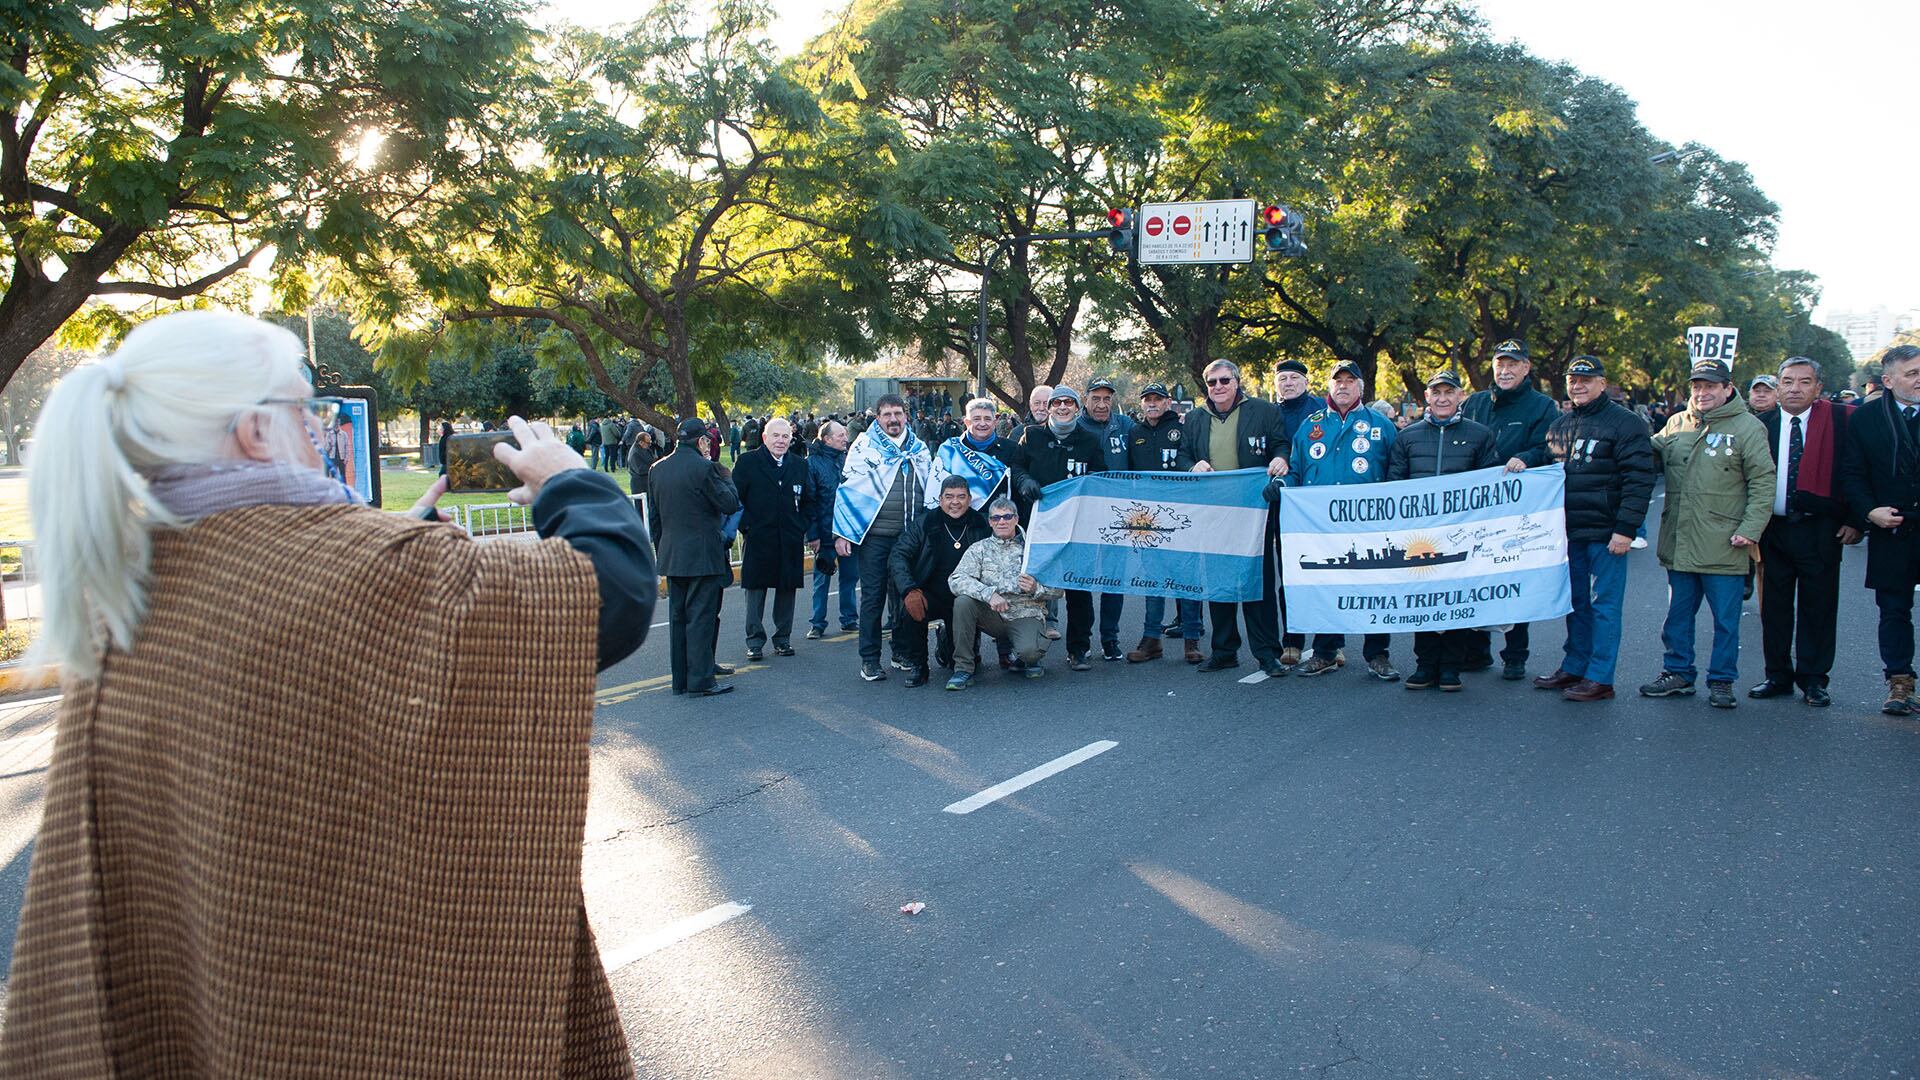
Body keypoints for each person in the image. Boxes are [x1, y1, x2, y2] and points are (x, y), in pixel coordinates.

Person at [6, 310, 653, 1076]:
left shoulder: (125, 594)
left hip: (221, 1006)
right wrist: (567, 481)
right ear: (253, 432)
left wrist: (394, 536)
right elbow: (608, 594)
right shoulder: (354, 566)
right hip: (365, 1014)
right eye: (302, 412)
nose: (319, 433)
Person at [1641, 359, 1775, 708]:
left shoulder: (1748, 427)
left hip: (1725, 541)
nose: (1703, 392)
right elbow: (1646, 452)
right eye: (1698, 386)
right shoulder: (1676, 423)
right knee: (1678, 617)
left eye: (1711, 386)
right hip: (1680, 539)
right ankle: (1678, 673)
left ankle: (1722, 680)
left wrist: (1750, 529)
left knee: (1726, 622)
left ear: (1728, 388)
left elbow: (1763, 482)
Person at [1524, 356, 1657, 702]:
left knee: (1605, 606)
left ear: (1602, 382)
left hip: (1607, 533)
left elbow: (1640, 478)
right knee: (1576, 603)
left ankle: (1600, 676)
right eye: (1573, 379)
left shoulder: (1625, 423)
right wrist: (1521, 461)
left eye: (1586, 379)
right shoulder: (1560, 426)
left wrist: (1627, 529)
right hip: (1568, 534)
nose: (1578, 385)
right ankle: (1575, 665)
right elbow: (1545, 466)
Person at [1748, 358, 1858, 708]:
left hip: (1821, 528)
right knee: (1774, 608)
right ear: (1777, 387)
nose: (1795, 388)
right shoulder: (1759, 425)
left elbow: (1856, 471)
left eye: (1804, 382)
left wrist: (1856, 519)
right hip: (1773, 529)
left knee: (1819, 607)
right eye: (1788, 381)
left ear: (1818, 388)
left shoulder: (1841, 424)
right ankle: (1778, 675)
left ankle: (1813, 679)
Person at [1286, 360, 1400, 680]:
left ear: (1361, 388)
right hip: (1321, 526)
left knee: (1374, 588)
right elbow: (1296, 469)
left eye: (1351, 380)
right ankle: (1324, 652)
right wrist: (1281, 486)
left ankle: (1378, 654)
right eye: (1339, 380)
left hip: (1370, 526)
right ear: (1329, 386)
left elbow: (1396, 472)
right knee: (1326, 586)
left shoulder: (1380, 425)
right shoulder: (1310, 425)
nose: (1344, 385)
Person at [1387, 371, 1499, 691]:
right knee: (1423, 601)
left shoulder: (1480, 435)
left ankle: (1451, 667)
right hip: (1419, 536)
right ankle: (1425, 665)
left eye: (1449, 392)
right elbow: (1395, 483)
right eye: (1437, 393)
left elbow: (1490, 484)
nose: (1443, 398)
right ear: (1427, 396)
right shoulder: (1408, 436)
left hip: (1461, 535)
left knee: (1455, 599)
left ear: (1460, 395)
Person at [1185, 359, 1292, 676]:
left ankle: (1267, 653)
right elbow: (1182, 455)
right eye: (1212, 382)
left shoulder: (1263, 411)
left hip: (1253, 513)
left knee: (1257, 584)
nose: (1218, 387)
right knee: (1219, 587)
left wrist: (1280, 458)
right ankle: (1224, 650)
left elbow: (1281, 444)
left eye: (1224, 381)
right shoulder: (1194, 418)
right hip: (1214, 514)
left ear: (1237, 381)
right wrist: (1192, 465)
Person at [1461, 338, 1558, 679]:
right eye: (1500, 363)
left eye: (1513, 364)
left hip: (1518, 510)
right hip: (1475, 510)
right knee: (1474, 577)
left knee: (1513, 578)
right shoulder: (1473, 403)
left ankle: (1515, 654)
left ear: (1526, 368)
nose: (1505, 370)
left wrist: (1527, 458)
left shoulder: (1543, 406)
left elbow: (1550, 447)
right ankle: (1476, 652)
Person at [1839, 344, 1920, 715]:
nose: (1919, 379)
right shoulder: (1866, 418)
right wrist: (1869, 511)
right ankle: (1899, 682)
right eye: (1912, 373)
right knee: (1893, 609)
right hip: (1892, 528)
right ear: (1888, 381)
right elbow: (1852, 473)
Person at [833, 394, 931, 682]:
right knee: (873, 598)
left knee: (904, 597)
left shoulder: (920, 448)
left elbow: (931, 487)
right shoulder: (863, 446)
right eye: (887, 414)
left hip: (908, 538)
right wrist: (842, 532)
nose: (893, 419)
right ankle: (870, 659)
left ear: (906, 416)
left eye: (898, 414)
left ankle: (900, 651)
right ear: (878, 417)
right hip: (874, 536)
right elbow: (848, 490)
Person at [651, 417, 742, 698]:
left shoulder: (658, 468)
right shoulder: (705, 468)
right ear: (702, 441)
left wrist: (662, 549)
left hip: (672, 553)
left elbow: (655, 518)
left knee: (679, 618)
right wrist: (724, 477)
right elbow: (729, 502)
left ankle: (682, 679)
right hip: (702, 553)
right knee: (701, 618)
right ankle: (701, 679)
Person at [1018, 385, 1108, 670]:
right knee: (1032, 587)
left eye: (1069, 403)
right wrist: (1024, 482)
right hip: (1040, 525)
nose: (1062, 407)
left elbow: (1100, 477)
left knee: (1079, 591)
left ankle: (1078, 649)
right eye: (1057, 403)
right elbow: (1016, 468)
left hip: (1076, 527)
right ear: (1049, 408)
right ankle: (1027, 649)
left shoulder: (1090, 441)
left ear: (1077, 408)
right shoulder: (1032, 436)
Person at [1124, 381, 1205, 663]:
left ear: (1168, 402)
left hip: (1182, 514)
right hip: (1148, 517)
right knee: (1153, 580)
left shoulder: (1183, 428)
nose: (1152, 404)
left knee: (1187, 578)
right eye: (1147, 399)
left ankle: (1192, 639)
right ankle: (1151, 640)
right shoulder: (1134, 433)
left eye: (1157, 399)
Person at [889, 475, 993, 686]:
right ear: (940, 499)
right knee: (911, 608)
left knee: (956, 663)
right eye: (949, 497)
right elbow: (898, 555)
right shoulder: (925, 523)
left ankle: (950, 643)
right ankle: (919, 666)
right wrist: (909, 589)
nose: (955, 502)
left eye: (961, 496)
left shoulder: (981, 524)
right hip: (931, 593)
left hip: (966, 598)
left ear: (970, 498)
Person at [946, 495, 1058, 688]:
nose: (1002, 522)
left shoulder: (1033, 549)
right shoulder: (979, 549)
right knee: (963, 602)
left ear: (1016, 518)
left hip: (1025, 614)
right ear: (990, 522)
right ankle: (963, 668)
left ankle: (1027, 658)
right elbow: (956, 579)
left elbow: (1058, 589)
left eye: (1007, 516)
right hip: (992, 615)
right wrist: (988, 594)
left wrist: (1036, 588)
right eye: (996, 518)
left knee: (1030, 652)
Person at [733, 417, 813, 662]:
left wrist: (801, 526)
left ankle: (783, 638)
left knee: (786, 588)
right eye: (776, 436)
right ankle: (755, 641)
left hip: (789, 536)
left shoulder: (799, 465)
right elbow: (736, 499)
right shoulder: (747, 462)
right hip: (759, 536)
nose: (781, 441)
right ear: (765, 437)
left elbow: (809, 500)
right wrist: (747, 526)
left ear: (791, 439)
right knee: (755, 590)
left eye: (785, 436)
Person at [1079, 377, 1137, 661]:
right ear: (1085, 400)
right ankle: (1083, 640)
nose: (1102, 405)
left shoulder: (1125, 426)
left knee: (1114, 581)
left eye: (1106, 399)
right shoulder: (1075, 428)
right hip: (1085, 517)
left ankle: (1110, 639)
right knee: (1084, 581)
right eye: (1096, 399)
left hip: (1120, 517)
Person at [806, 420, 859, 638]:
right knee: (822, 579)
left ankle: (849, 619)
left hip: (848, 531)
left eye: (845, 434)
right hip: (825, 533)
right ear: (827, 439)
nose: (845, 438)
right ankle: (817, 624)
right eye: (840, 435)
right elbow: (809, 500)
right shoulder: (812, 463)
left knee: (849, 578)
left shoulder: (849, 461)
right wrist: (813, 535)